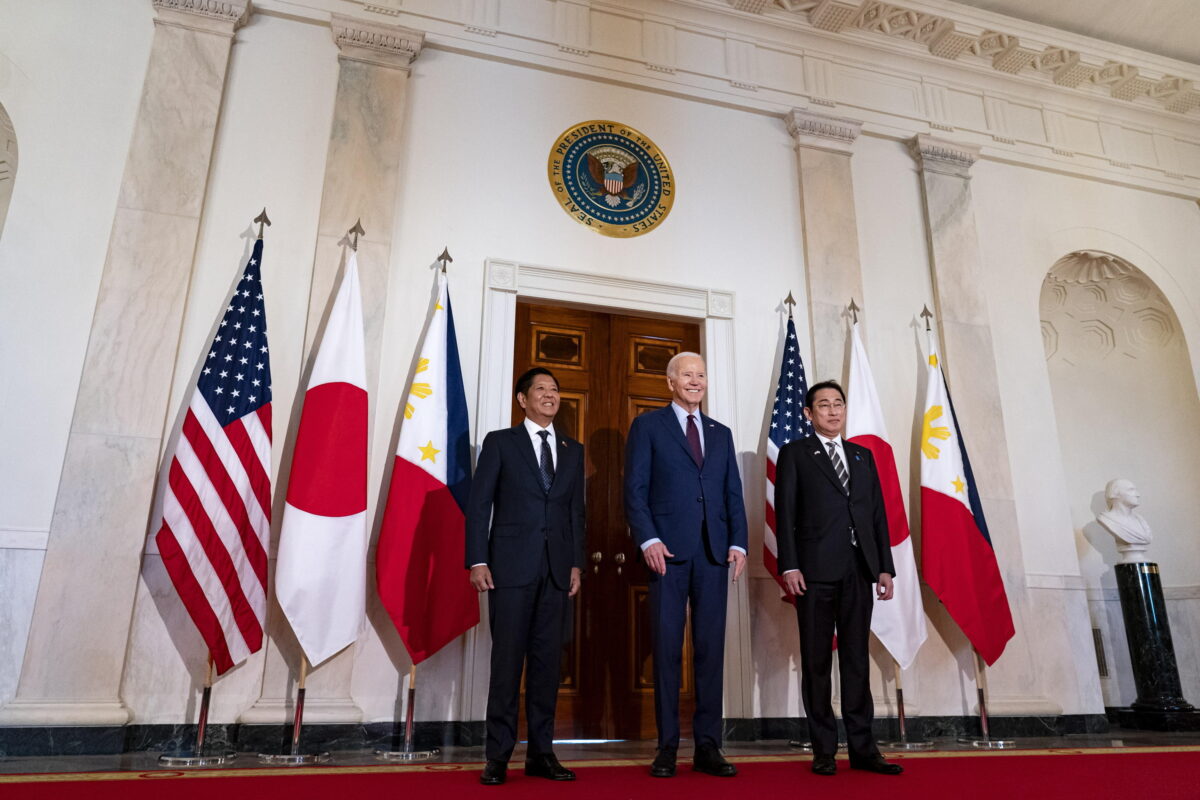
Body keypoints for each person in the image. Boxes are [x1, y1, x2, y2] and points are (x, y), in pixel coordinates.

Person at [624, 352, 748, 778]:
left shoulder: (721, 432)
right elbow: (635, 489)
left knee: (711, 651)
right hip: (667, 556)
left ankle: (709, 748)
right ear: (670, 382)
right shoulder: (648, 426)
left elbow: (733, 491)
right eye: (686, 375)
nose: (695, 381)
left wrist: (739, 543)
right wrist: (648, 539)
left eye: (700, 375)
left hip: (715, 554)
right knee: (666, 650)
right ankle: (667, 747)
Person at [774, 380, 902, 777]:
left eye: (838, 404)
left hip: (858, 570)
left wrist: (884, 566)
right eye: (823, 405)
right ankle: (824, 749)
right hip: (813, 572)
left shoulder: (862, 456)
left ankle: (864, 750)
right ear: (808, 414)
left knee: (855, 662)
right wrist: (789, 565)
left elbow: (876, 515)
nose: (833, 411)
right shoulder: (795, 454)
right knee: (816, 663)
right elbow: (785, 514)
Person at [465, 367, 585, 786]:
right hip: (509, 570)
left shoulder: (573, 449)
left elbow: (575, 512)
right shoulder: (500, 443)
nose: (550, 395)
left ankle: (541, 753)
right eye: (541, 389)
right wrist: (477, 560)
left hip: (555, 572)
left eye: (555, 390)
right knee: (507, 663)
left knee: (547, 667)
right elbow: (480, 506)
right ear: (522, 399)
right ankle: (497, 756)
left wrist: (575, 563)